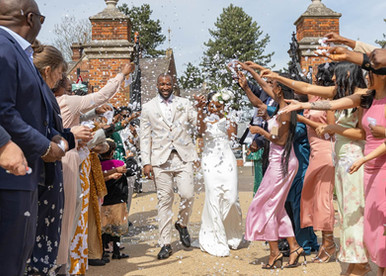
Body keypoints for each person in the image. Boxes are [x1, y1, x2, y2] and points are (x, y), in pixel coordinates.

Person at [276, 68, 386, 275]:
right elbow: (308, 88)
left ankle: (359, 263)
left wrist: (334, 129)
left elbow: (363, 134)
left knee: (354, 212)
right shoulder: (344, 96)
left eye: (337, 73)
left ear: (347, 74)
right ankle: (356, 260)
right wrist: (279, 79)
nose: (333, 77)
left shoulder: (363, 98)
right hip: (342, 156)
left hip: (354, 157)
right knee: (346, 212)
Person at [0, 1, 65, 275]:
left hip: (24, 174)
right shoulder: (4, 48)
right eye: (41, 18)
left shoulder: (18, 52)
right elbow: (5, 109)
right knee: (10, 262)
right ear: (30, 18)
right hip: (10, 175)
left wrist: (54, 140)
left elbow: (34, 114)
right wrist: (41, 146)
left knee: (17, 260)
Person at [240, 71, 305, 269]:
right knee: (274, 207)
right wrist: (246, 86)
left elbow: (282, 140)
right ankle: (293, 247)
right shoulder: (278, 109)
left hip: (282, 164)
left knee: (264, 205)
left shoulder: (286, 112)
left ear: (280, 90)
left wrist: (261, 132)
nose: (270, 87)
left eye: (274, 85)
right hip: (278, 162)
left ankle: (275, 252)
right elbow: (260, 105)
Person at [140, 73, 198, 260]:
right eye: (162, 84)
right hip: (160, 160)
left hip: (183, 157)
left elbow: (197, 124)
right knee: (164, 200)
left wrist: (202, 109)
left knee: (188, 194)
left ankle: (182, 224)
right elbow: (144, 136)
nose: (165, 86)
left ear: (173, 84)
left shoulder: (185, 103)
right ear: (157, 85)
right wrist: (146, 162)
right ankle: (165, 243)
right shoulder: (147, 107)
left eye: (168, 83)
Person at [194, 91, 243, 257]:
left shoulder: (229, 117)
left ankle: (231, 233)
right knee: (213, 197)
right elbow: (200, 131)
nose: (214, 108)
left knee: (231, 198)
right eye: (211, 105)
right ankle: (217, 237)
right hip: (209, 160)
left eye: (218, 105)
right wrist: (201, 111)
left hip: (226, 159)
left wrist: (225, 113)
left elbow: (232, 135)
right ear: (207, 105)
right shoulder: (203, 118)